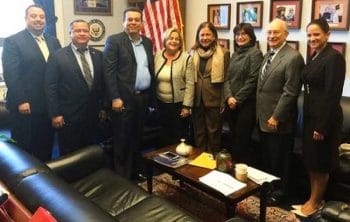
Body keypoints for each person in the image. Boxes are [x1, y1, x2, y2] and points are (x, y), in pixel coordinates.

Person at [2, 5, 61, 161]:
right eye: (34, 16)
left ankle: (46, 177)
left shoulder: (54, 41)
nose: (38, 19)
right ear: (26, 19)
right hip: (26, 107)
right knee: (25, 150)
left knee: (46, 145)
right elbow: (11, 74)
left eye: (41, 17)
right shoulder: (13, 41)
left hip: (47, 105)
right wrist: (21, 100)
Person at [299, 18, 345, 216]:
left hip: (324, 121)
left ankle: (316, 201)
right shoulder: (314, 56)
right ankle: (313, 197)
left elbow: (332, 94)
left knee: (321, 163)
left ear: (327, 34)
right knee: (311, 160)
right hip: (310, 118)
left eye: (316, 34)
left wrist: (322, 126)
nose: (312, 38)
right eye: (309, 35)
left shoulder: (334, 58)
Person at [104, 7, 156, 179]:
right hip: (123, 100)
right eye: (130, 19)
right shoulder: (114, 41)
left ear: (141, 23)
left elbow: (149, 68)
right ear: (123, 22)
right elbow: (109, 72)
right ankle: (122, 177)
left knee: (137, 137)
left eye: (136, 20)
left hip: (142, 99)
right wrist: (115, 97)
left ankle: (135, 171)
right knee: (122, 139)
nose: (133, 22)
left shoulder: (147, 42)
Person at [256, 18, 304, 204]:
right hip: (262, 118)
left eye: (276, 32)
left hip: (278, 120)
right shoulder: (268, 55)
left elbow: (290, 92)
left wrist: (276, 116)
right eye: (269, 32)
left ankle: (280, 193)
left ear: (286, 34)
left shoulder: (293, 57)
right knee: (268, 157)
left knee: (280, 159)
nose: (272, 36)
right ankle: (269, 188)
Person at [45, 20, 105, 156]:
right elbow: (50, 87)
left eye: (85, 30)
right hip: (68, 116)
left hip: (93, 114)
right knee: (70, 153)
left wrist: (103, 107)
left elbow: (101, 85)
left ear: (90, 34)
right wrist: (55, 114)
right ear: (70, 33)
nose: (82, 33)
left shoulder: (98, 55)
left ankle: (91, 175)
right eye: (78, 31)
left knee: (91, 150)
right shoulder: (57, 56)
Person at [224, 23, 263, 163]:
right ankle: (232, 170)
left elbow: (253, 80)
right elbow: (227, 78)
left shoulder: (255, 53)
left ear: (251, 36)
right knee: (233, 139)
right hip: (231, 103)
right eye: (237, 34)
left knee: (242, 142)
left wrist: (237, 99)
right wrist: (229, 97)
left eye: (243, 34)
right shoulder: (234, 53)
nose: (240, 37)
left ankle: (241, 174)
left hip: (246, 105)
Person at [190, 22, 230, 154]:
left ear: (214, 36)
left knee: (213, 134)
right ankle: (200, 163)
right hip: (196, 100)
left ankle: (212, 164)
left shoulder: (224, 53)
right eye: (202, 35)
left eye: (208, 34)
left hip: (214, 100)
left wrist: (223, 100)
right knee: (199, 133)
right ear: (198, 36)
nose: (205, 38)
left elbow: (226, 79)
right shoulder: (192, 52)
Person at [154, 28, 194, 146]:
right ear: (165, 40)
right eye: (171, 38)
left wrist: (186, 106)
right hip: (160, 103)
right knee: (163, 136)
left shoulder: (186, 58)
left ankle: (179, 163)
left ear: (180, 42)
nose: (174, 41)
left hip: (179, 105)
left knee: (178, 137)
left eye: (177, 39)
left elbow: (190, 84)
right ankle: (164, 162)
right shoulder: (157, 55)